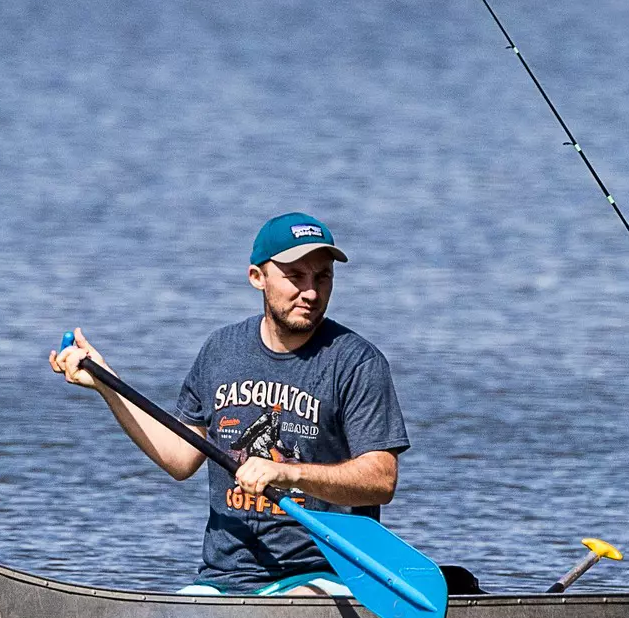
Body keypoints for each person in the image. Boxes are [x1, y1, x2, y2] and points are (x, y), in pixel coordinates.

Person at [50, 212, 410, 596]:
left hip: (325, 576)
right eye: (295, 276)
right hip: (223, 580)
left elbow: (380, 480)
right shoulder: (221, 351)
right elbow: (179, 459)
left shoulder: (357, 363)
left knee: (286, 608)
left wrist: (288, 474)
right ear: (257, 277)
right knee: (178, 616)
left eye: (322, 277)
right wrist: (108, 384)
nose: (310, 292)